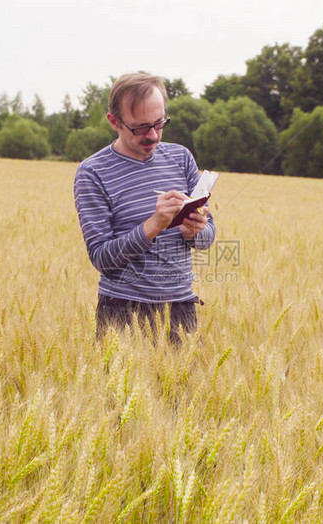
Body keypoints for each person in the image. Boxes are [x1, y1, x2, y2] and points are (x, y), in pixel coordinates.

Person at [74, 71, 216, 345]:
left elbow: (208, 236)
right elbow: (102, 258)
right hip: (122, 310)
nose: (152, 135)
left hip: (181, 307)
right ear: (114, 121)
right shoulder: (93, 172)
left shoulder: (181, 158)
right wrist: (153, 225)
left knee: (182, 388)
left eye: (159, 123)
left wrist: (195, 231)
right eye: (140, 127)